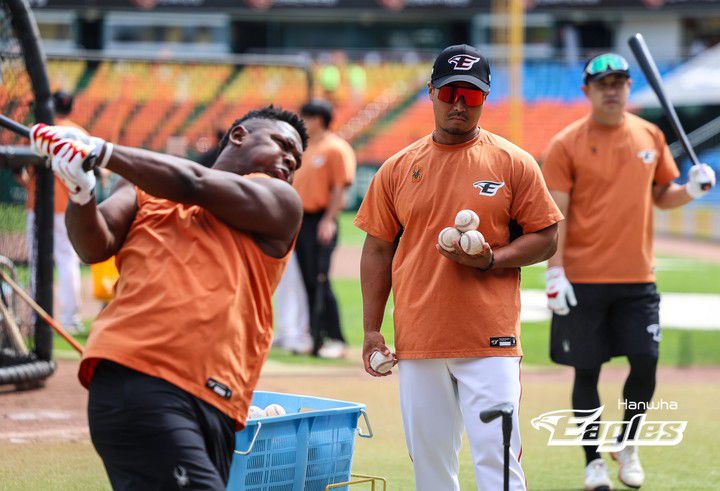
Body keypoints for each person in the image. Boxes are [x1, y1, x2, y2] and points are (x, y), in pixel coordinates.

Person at [28, 105, 308, 489]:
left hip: (217, 399)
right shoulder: (143, 189)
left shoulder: (280, 200)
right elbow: (94, 246)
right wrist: (81, 192)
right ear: (239, 135)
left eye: (297, 160)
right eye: (282, 144)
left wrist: (101, 150)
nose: (290, 160)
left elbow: (193, 182)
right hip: (139, 377)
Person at [354, 44, 563, 490]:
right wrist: (372, 329)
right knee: (431, 469)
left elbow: (546, 236)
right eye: (450, 93)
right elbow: (377, 250)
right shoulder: (397, 169)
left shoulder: (513, 162)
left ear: (485, 98)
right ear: (431, 92)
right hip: (419, 340)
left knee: (499, 463)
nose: (459, 105)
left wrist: (493, 259)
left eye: (471, 95)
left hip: (490, 340)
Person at [541, 53, 716, 491]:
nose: (611, 90)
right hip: (583, 279)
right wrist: (554, 272)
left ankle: (627, 441)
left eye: (618, 82)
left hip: (638, 277)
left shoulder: (650, 135)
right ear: (586, 91)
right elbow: (556, 215)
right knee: (587, 371)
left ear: (628, 87)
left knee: (646, 361)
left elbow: (663, 195)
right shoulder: (565, 144)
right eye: (602, 84)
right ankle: (592, 462)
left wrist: (691, 189)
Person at [293, 100, 357, 358]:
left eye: (306, 117)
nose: (303, 122)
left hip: (320, 220)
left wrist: (329, 220)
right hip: (301, 220)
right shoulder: (306, 147)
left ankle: (336, 338)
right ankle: (315, 337)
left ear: (318, 119)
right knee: (308, 280)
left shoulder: (335, 148)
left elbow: (340, 187)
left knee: (321, 279)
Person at [18, 90, 83, 333]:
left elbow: (17, 165)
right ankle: (70, 319)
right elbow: (96, 171)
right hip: (68, 205)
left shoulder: (38, 131)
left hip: (38, 204)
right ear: (71, 109)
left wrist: (27, 184)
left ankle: (37, 316)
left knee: (37, 258)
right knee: (68, 260)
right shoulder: (79, 133)